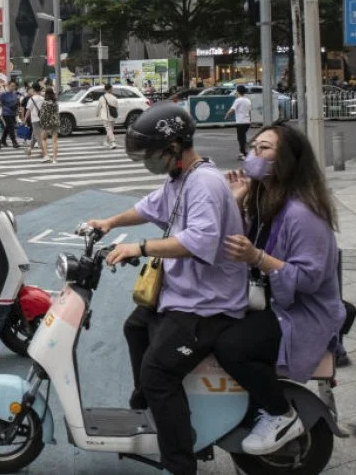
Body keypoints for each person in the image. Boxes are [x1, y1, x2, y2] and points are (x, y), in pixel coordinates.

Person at [85, 104, 247, 475]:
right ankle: (150, 405)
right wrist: (109, 222)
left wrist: (138, 248)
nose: (148, 161)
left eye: (152, 153)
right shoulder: (180, 179)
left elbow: (198, 241)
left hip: (209, 305)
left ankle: (179, 463)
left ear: (175, 146)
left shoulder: (203, 183)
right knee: (135, 327)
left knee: (159, 374)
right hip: (184, 293)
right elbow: (148, 208)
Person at [214, 124, 345, 455]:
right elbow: (237, 244)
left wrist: (258, 257)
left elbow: (309, 279)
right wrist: (236, 201)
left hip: (300, 311)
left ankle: (279, 413)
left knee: (232, 346)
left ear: (286, 159)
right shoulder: (265, 199)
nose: (253, 155)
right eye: (253, 147)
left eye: (264, 149)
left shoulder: (303, 213)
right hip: (271, 299)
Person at [226, 85, 253, 160]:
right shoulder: (248, 100)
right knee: (243, 137)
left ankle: (243, 153)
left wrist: (227, 115)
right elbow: (249, 111)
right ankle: (243, 152)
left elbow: (232, 109)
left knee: (241, 138)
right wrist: (250, 120)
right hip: (247, 121)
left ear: (238, 91)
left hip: (240, 122)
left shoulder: (238, 100)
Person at [37, 87, 60, 163]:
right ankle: (55, 159)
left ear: (46, 93)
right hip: (55, 122)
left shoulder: (45, 103)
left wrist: (41, 122)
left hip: (46, 123)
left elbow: (42, 114)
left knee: (43, 139)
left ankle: (46, 155)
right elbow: (57, 112)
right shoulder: (55, 102)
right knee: (55, 141)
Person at [0, 81, 21, 149]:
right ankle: (14, 142)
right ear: (8, 86)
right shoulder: (3, 94)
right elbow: (0, 103)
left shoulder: (15, 94)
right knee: (11, 127)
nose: (13, 87)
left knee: (8, 127)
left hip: (13, 113)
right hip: (6, 113)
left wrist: (17, 111)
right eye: (11, 86)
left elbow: (16, 103)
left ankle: (3, 140)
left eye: (14, 86)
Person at [23, 85, 44, 158]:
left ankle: (44, 151)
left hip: (35, 119)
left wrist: (25, 119)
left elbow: (28, 110)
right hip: (42, 119)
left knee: (38, 136)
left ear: (34, 90)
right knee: (34, 135)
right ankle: (29, 149)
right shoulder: (42, 98)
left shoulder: (32, 99)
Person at [96, 84, 119, 149]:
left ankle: (113, 142)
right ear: (109, 89)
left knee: (109, 130)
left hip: (105, 116)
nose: (112, 89)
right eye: (112, 88)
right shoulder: (114, 97)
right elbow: (117, 107)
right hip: (113, 116)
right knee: (110, 130)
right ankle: (106, 141)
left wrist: (97, 114)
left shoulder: (102, 97)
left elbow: (99, 107)